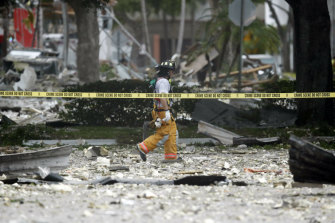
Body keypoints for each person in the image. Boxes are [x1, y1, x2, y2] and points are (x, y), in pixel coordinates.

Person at [136, 60, 181, 163]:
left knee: (172, 132)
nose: (173, 73)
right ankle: (143, 147)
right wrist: (166, 112)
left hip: (162, 110)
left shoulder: (160, 80)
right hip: (162, 111)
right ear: (167, 72)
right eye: (171, 71)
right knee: (164, 134)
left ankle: (171, 157)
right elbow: (163, 97)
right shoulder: (163, 82)